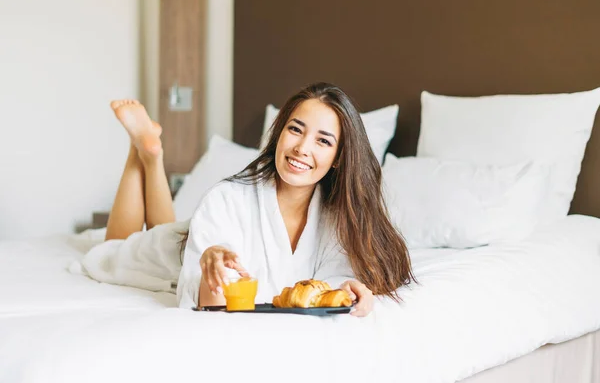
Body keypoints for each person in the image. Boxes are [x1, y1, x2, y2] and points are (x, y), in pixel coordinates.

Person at [84, 83, 415, 317]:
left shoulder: (337, 217)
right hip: (180, 252)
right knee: (112, 249)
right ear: (279, 133)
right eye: (295, 129)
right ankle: (140, 152)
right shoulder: (226, 199)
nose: (302, 148)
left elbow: (336, 283)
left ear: (340, 157)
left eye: (323, 141)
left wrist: (357, 290)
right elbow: (209, 306)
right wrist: (210, 258)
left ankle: (149, 153)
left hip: (185, 239)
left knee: (169, 229)